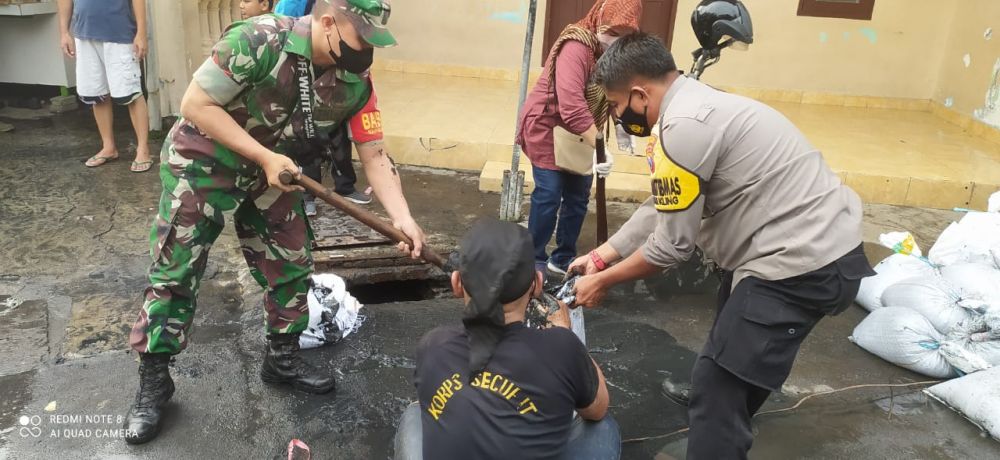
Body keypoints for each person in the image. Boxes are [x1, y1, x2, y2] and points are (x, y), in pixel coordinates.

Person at [122, 0, 426, 445]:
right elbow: (195, 103)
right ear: (327, 23)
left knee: (290, 261)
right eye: (360, 38)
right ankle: (154, 379)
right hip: (204, 163)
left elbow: (374, 154)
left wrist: (403, 219)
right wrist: (263, 156)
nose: (366, 51)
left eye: (373, 41)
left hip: (276, 173)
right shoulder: (257, 39)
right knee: (176, 270)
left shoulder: (356, 80)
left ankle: (281, 357)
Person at [569, 32, 876, 459]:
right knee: (728, 364)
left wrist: (604, 281)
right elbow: (665, 205)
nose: (621, 117)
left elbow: (671, 247)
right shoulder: (698, 103)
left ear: (640, 93)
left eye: (619, 106)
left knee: (715, 393)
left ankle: (719, 434)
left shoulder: (682, 129)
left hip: (797, 267)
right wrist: (604, 254)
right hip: (810, 253)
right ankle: (725, 429)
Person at [393, 218, 618, 460]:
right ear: (537, 284)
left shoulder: (432, 345)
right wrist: (565, 333)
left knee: (416, 414)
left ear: (457, 284)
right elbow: (598, 409)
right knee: (604, 427)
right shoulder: (562, 347)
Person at [515, 0, 641, 278]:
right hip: (548, 123)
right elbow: (571, 105)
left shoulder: (619, 56)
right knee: (549, 193)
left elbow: (618, 95)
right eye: (612, 33)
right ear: (599, 21)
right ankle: (533, 259)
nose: (616, 42)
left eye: (624, 36)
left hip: (583, 131)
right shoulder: (576, 46)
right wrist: (599, 148)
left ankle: (563, 258)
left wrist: (622, 130)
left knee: (578, 196)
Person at [275, 0, 371, 216]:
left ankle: (344, 186)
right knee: (305, 135)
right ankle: (307, 194)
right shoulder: (277, 29)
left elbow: (374, 152)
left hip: (334, 72)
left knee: (336, 134)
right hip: (301, 69)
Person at [57, 0, 153, 173]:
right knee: (96, 93)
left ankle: (143, 149)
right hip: (84, 33)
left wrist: (141, 33)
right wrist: (64, 32)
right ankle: (108, 147)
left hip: (119, 34)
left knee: (130, 93)